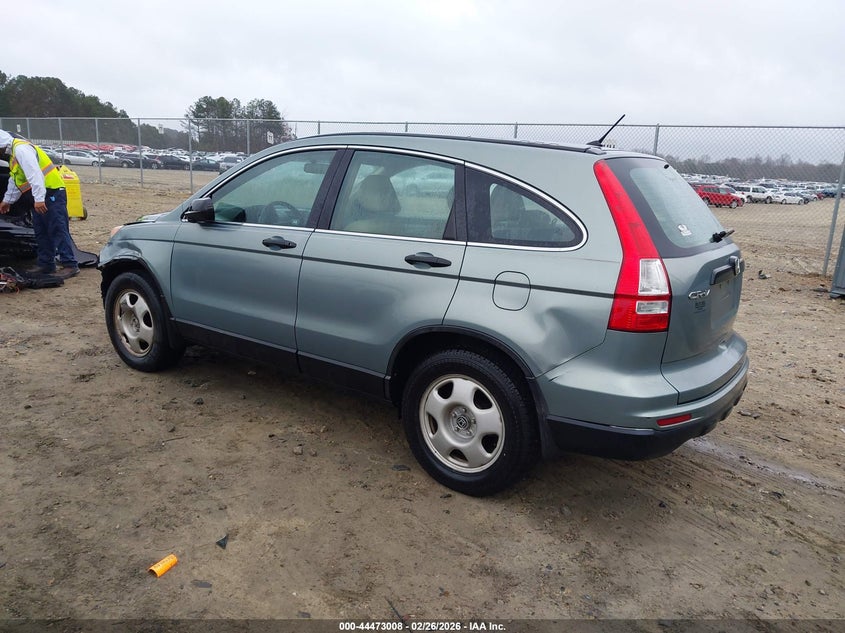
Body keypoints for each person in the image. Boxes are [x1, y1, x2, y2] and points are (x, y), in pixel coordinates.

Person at [0, 129, 79, 277]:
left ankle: (70, 264)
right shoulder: (13, 156)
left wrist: (39, 199)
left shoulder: (21, 150)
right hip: (43, 195)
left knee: (57, 228)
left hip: (52, 192)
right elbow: (16, 181)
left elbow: (35, 175)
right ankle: (46, 264)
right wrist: (7, 201)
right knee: (41, 231)